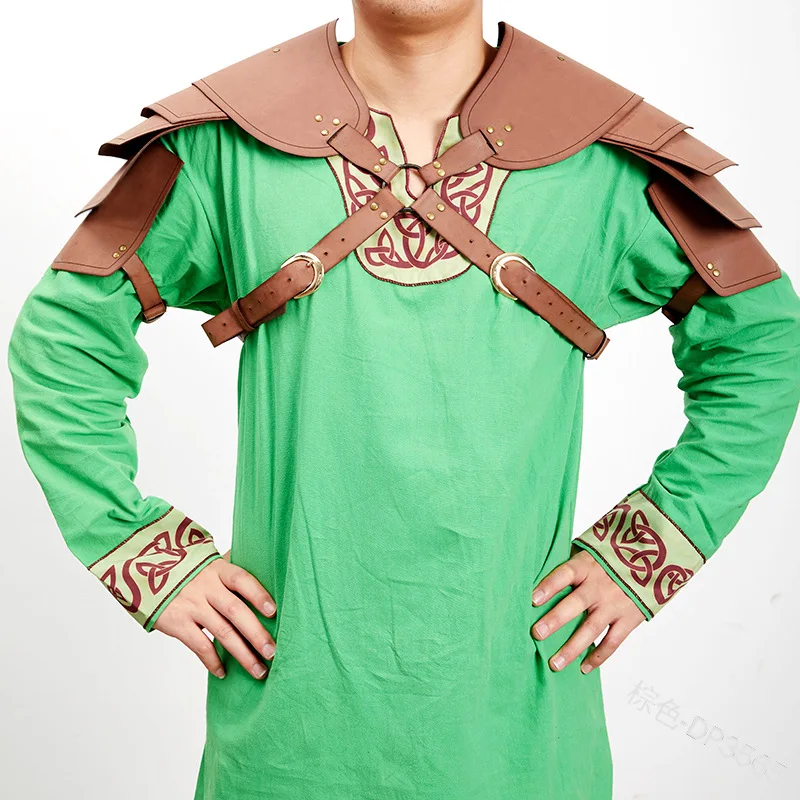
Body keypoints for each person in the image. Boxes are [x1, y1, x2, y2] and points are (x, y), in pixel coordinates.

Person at [8, 2, 800, 798]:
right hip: (288, 744)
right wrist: (141, 552)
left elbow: (762, 341)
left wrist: (647, 551)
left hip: (518, 745)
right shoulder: (222, 147)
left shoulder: (603, 159)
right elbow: (62, 341)